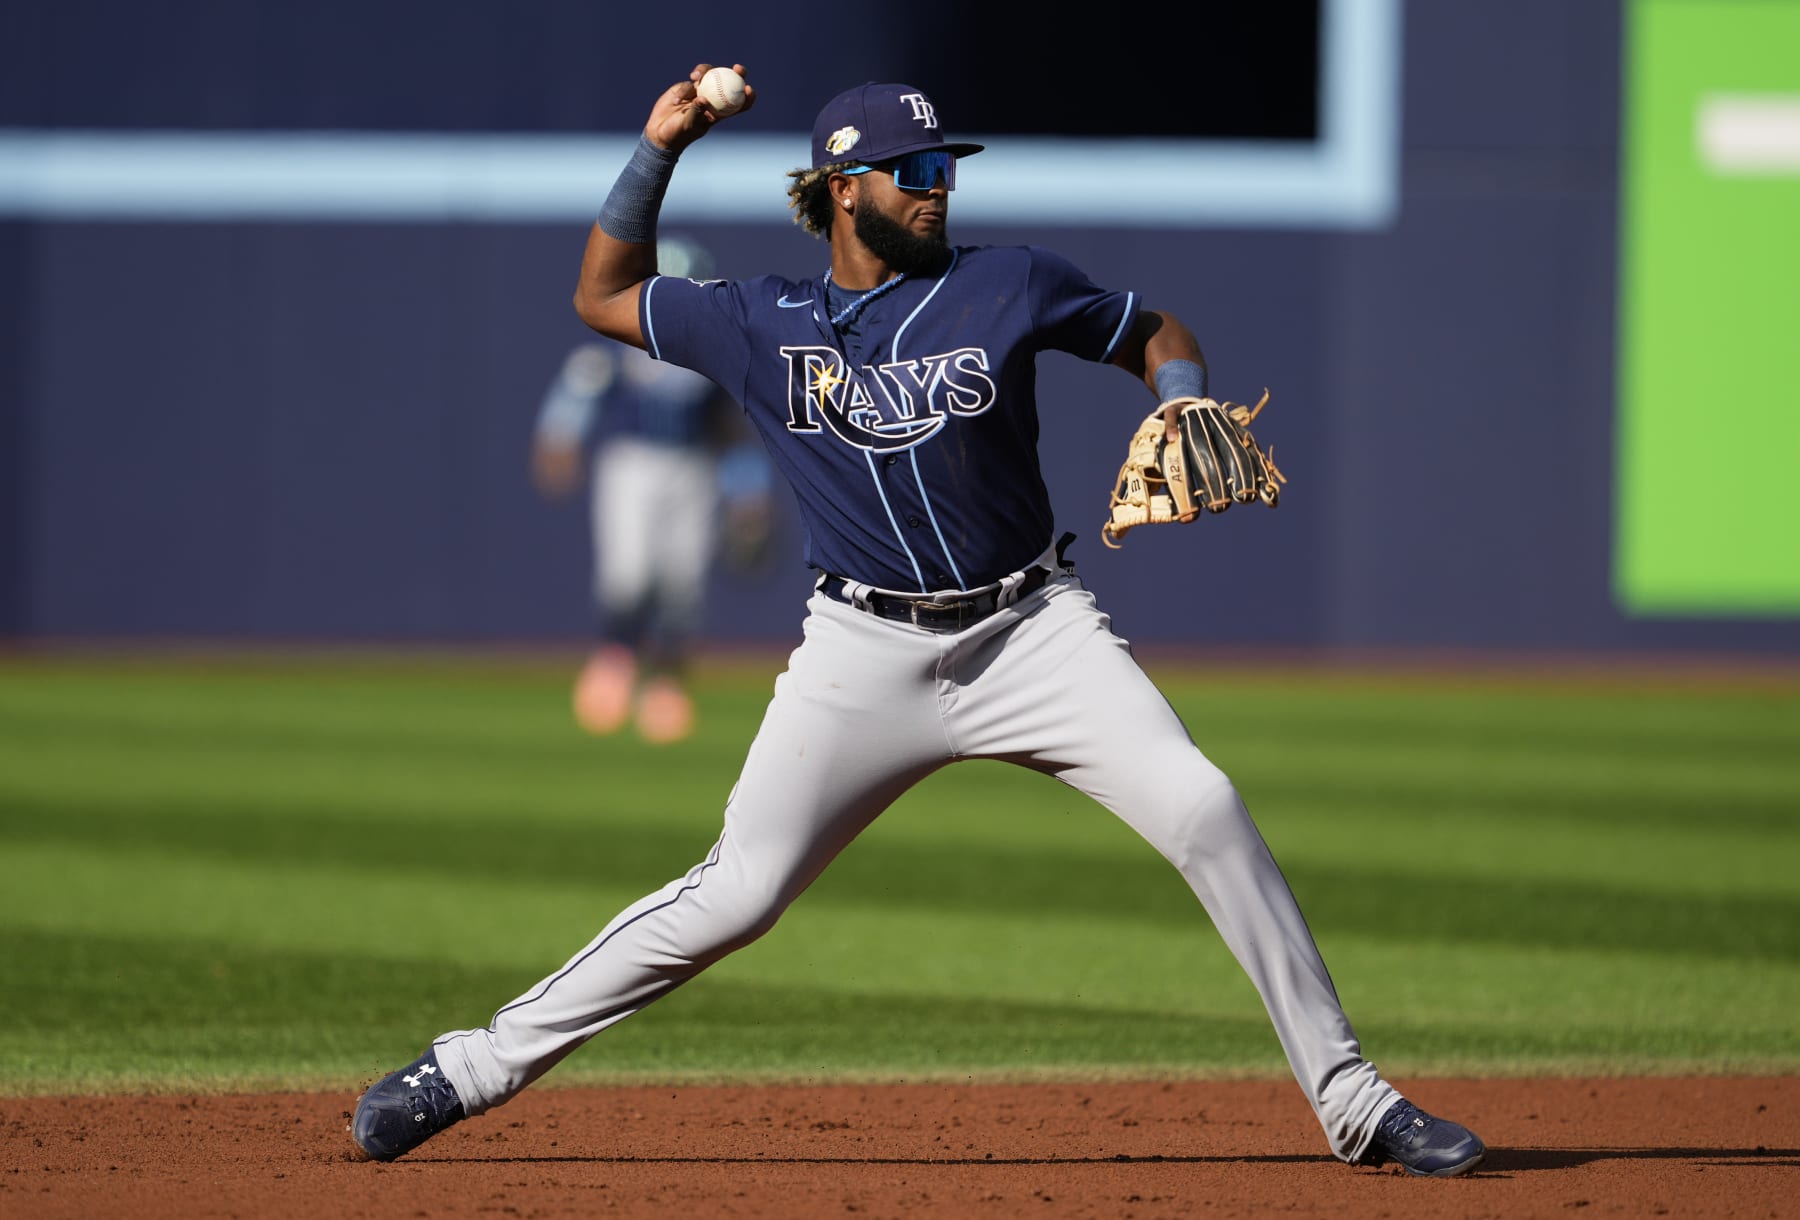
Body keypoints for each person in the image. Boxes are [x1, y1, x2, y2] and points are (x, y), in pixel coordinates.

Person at [351, 65, 1487, 1178]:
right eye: (914, 170)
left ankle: (1353, 1100)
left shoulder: (1012, 282)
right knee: (737, 891)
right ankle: (472, 1065)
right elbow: (601, 295)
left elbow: (1152, 325)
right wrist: (664, 144)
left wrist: (1181, 389)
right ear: (842, 189)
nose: (939, 186)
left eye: (945, 166)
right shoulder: (757, 319)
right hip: (863, 649)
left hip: (1034, 629)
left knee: (1204, 803)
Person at [529, 235, 775, 744]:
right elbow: (579, 389)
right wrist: (560, 438)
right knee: (631, 572)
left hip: (693, 468)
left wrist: (748, 492)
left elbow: (728, 430)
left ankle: (665, 684)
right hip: (633, 462)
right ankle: (615, 662)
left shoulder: (710, 354)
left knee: (682, 584)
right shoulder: (619, 342)